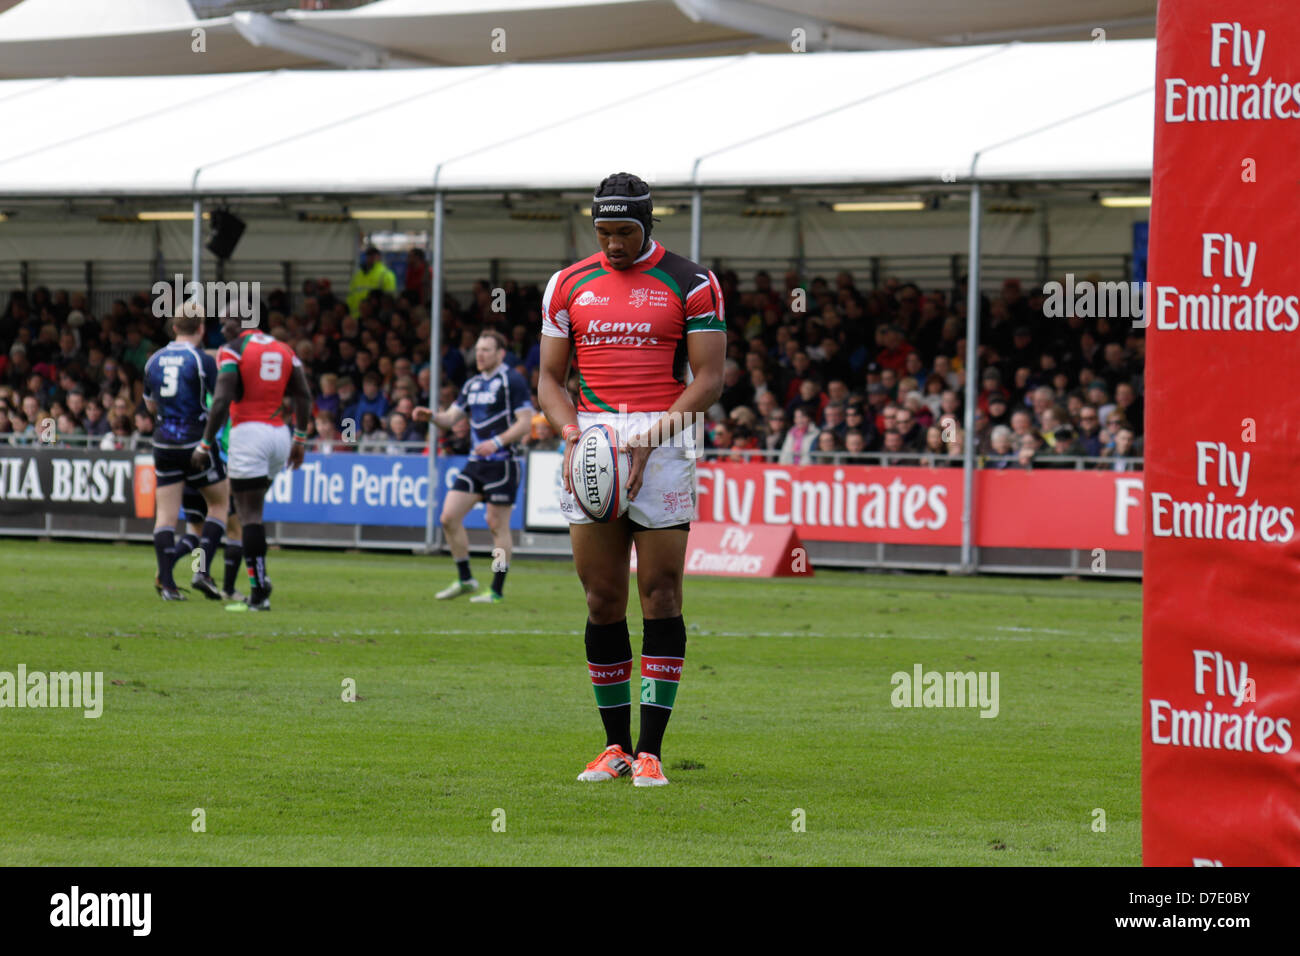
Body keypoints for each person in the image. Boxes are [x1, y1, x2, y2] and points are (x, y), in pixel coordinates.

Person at [538, 172, 725, 788]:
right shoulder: (567, 285)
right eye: (603, 232)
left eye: (625, 231)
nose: (614, 244)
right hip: (590, 440)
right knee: (600, 599)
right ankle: (613, 746)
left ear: (648, 224)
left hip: (663, 440)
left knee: (662, 595)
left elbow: (708, 381)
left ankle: (651, 750)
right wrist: (571, 434)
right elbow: (547, 380)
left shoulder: (693, 281)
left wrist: (650, 438)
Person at [192, 316, 312, 611]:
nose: (222, 329)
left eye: (226, 322)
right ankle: (252, 580)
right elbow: (304, 395)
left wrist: (204, 444)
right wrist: (299, 439)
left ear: (242, 321)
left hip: (248, 435)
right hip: (278, 435)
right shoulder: (285, 349)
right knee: (246, 516)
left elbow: (221, 400)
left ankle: (256, 591)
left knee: (245, 517)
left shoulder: (233, 349)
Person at [414, 330, 533, 604]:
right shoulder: (472, 384)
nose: (479, 354)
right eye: (478, 349)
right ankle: (466, 578)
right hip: (476, 463)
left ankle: (496, 590)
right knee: (448, 517)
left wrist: (496, 442)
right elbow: (450, 419)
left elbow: (525, 423)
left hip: (503, 463)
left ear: (500, 353)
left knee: (496, 524)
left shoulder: (512, 381)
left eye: (486, 350)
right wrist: (431, 416)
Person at [142, 305, 230, 601]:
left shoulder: (153, 360)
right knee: (219, 504)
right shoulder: (201, 359)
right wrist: (206, 440)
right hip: (195, 442)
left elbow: (151, 406)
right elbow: (219, 401)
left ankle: (167, 584)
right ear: (201, 329)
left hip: (163, 442)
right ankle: (201, 570)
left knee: (165, 517)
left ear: (174, 327)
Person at [346, 245, 397, 317]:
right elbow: (351, 294)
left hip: (375, 316)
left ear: (379, 257)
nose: (370, 258)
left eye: (373, 256)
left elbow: (389, 298)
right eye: (368, 256)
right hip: (356, 315)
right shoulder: (358, 275)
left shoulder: (386, 274)